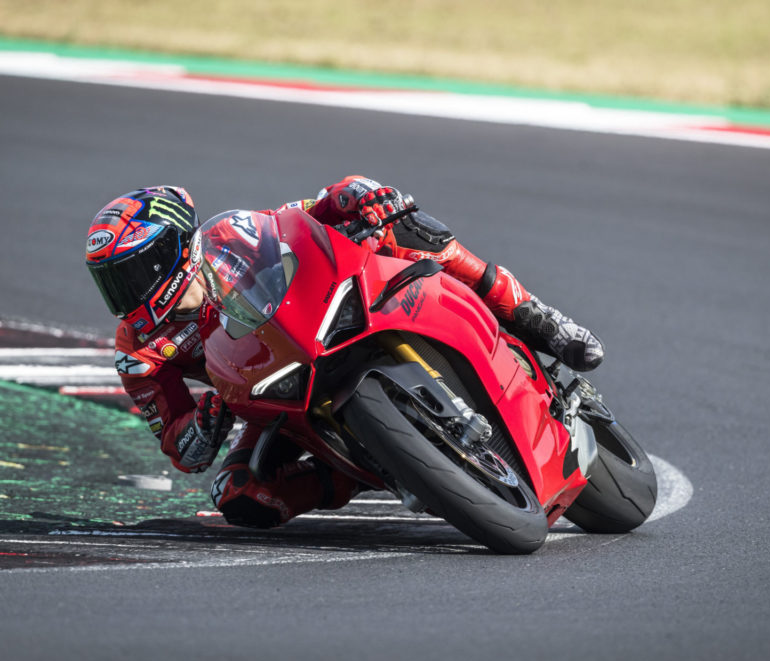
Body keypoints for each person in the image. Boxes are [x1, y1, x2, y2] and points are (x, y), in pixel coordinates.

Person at [85, 177, 604, 529]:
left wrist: (358, 196)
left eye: (133, 272)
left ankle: (534, 314)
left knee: (407, 230)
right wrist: (206, 420)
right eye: (112, 282)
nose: (126, 295)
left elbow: (302, 217)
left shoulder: (230, 235)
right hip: (270, 393)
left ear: (174, 247)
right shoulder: (140, 352)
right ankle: (364, 471)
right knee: (238, 496)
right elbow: (182, 449)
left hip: (317, 319)